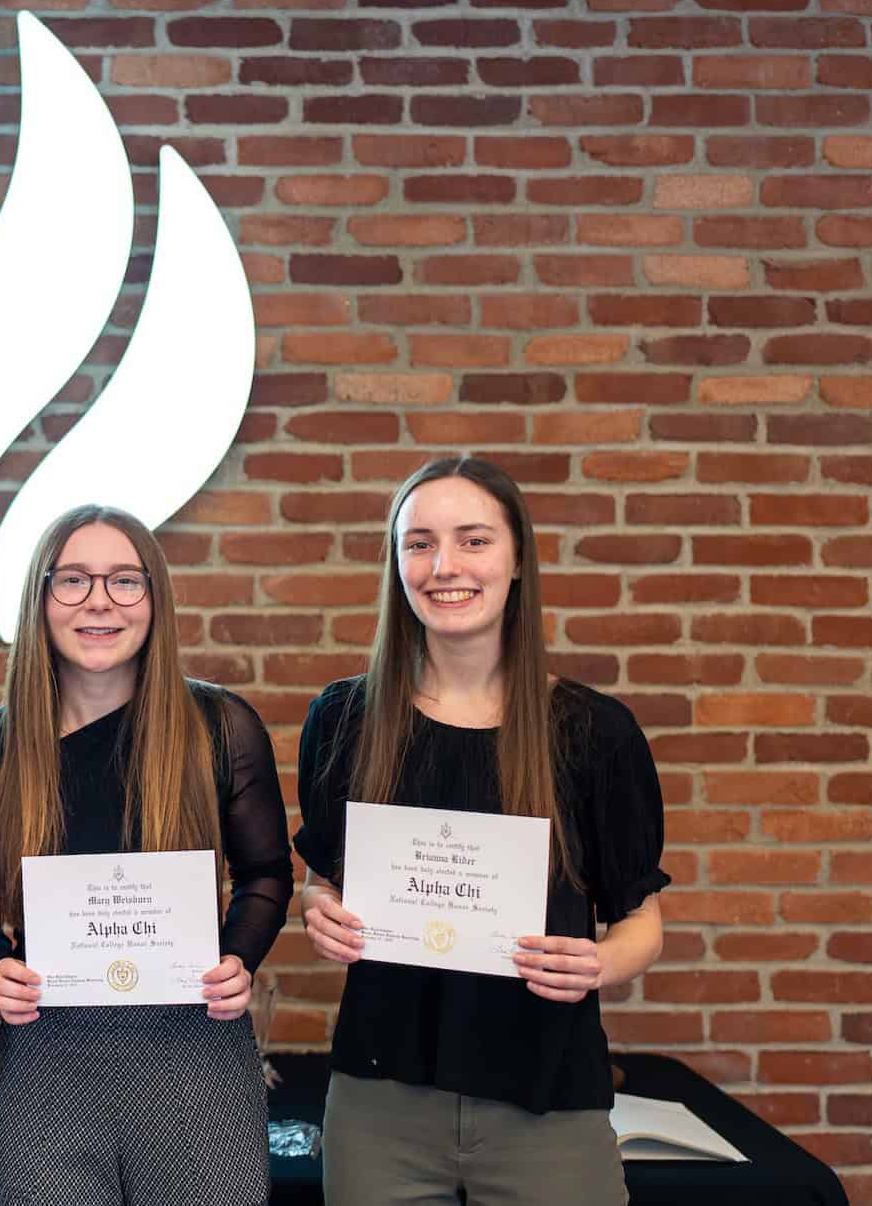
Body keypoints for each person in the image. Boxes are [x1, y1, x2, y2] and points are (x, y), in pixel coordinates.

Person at [296, 455, 669, 1206]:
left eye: (473, 540)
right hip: (380, 1102)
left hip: (546, 1100)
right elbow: (323, 876)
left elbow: (642, 922)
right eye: (419, 543)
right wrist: (319, 909)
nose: (444, 566)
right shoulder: (345, 718)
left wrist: (596, 962)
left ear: (518, 558)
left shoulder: (595, 733)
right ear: (397, 564)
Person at [0, 504, 293, 1206]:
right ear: (41, 598)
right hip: (48, 1058)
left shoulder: (219, 728)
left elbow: (266, 873)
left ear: (155, 599)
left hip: (196, 1052)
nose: (99, 600)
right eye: (72, 579)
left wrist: (238, 958)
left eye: (124, 581)